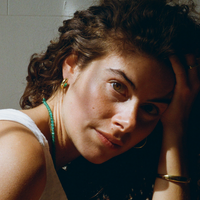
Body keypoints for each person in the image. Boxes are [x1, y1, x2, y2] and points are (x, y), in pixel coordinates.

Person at [0, 0, 200, 199]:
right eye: (118, 86)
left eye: (150, 108)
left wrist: (175, 126)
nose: (129, 122)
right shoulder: (16, 153)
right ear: (71, 65)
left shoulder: (52, 160)